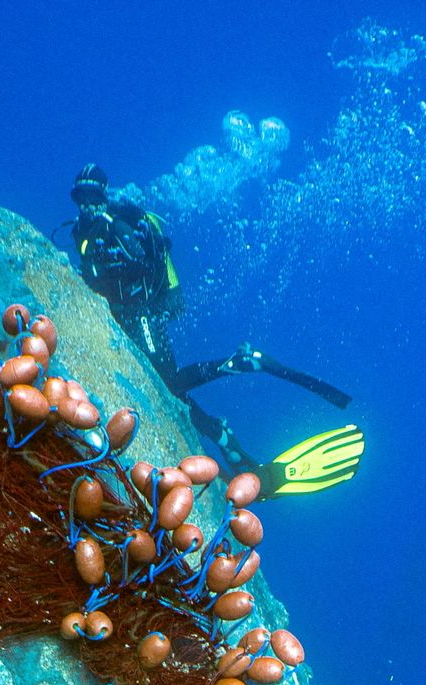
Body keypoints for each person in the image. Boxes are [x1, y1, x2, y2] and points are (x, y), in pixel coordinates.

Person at [65, 164, 366, 499]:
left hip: (143, 312)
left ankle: (239, 363)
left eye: (94, 197)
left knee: (168, 382)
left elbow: (141, 264)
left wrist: (116, 266)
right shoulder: (81, 231)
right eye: (82, 197)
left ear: (104, 196)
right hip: (125, 316)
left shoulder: (114, 225)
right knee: (171, 393)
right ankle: (218, 432)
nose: (87, 205)